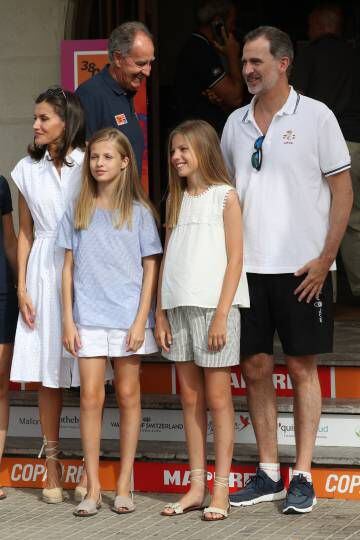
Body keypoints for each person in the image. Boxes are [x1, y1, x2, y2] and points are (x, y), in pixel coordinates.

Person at [221, 26, 353, 514]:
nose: (248, 70)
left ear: (284, 63)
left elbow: (343, 192)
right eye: (246, 62)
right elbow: (226, 198)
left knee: (301, 369)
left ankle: (303, 474)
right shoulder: (234, 122)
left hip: (305, 270)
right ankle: (269, 474)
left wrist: (325, 260)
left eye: (257, 62)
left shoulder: (317, 116)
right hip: (248, 271)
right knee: (255, 368)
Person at [59, 127, 162, 517]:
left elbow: (150, 267)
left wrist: (141, 320)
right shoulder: (78, 209)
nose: (99, 163)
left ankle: (124, 484)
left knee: (129, 396)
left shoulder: (139, 212)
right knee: (89, 398)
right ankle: (93, 489)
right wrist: (68, 320)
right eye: (94, 157)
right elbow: (67, 268)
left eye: (107, 157)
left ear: (124, 162)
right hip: (87, 318)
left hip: (127, 320)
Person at [155, 119, 249, 521]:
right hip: (178, 309)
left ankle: (221, 488)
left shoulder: (225, 197)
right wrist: (160, 312)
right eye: (173, 150)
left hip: (215, 310)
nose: (176, 157)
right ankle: (196, 485)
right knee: (190, 398)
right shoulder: (175, 199)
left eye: (184, 150)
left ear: (203, 152)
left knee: (218, 398)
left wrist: (222, 315)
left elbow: (235, 258)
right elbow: (168, 259)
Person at [10, 87, 86, 504]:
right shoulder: (25, 168)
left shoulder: (89, 160)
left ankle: (91, 468)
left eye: (44, 118)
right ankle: (52, 463)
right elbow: (24, 232)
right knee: (46, 370)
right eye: (36, 118)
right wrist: (22, 286)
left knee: (89, 369)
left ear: (65, 120)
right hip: (41, 268)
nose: (36, 125)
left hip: (82, 267)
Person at [291, 3, 360, 297]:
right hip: (357, 141)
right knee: (355, 219)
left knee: (322, 216)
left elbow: (297, 97)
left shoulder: (309, 55)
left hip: (325, 144)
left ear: (319, 25)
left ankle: (322, 292)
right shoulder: (355, 54)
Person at [76, 21, 154, 175]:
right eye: (141, 63)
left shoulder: (127, 90)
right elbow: (81, 158)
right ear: (118, 58)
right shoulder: (90, 95)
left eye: (150, 63)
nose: (147, 72)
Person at [174, 0, 244, 134]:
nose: (233, 29)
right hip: (197, 137)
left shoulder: (202, 46)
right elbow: (235, 98)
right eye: (232, 22)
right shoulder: (200, 49)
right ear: (218, 22)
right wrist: (232, 55)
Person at [0, 176, 17, 500]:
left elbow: (11, 241)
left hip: (1, 291)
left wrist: (23, 286)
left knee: (0, 384)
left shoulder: (0, 185)